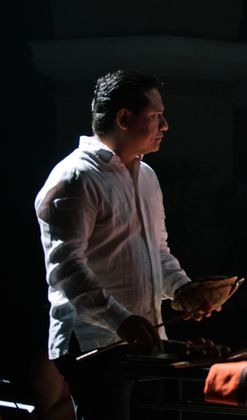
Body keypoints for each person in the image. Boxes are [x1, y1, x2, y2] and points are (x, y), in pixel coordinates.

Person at [34, 69, 213, 420]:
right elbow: (67, 270)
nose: (166, 126)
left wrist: (182, 290)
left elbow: (158, 252)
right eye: (156, 116)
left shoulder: (146, 177)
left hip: (142, 347)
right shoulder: (75, 178)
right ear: (124, 118)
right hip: (95, 346)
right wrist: (122, 321)